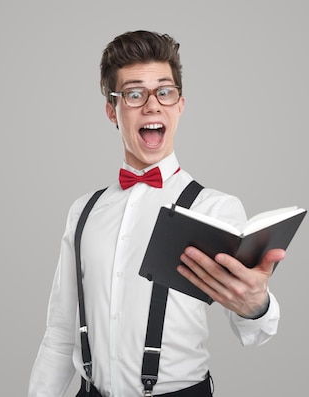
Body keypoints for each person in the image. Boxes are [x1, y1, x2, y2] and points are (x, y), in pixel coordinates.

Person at [28, 30, 286, 397]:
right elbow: (58, 335)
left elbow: (254, 333)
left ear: (179, 105)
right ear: (111, 111)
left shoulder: (215, 209)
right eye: (134, 94)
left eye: (164, 92)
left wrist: (256, 306)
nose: (152, 105)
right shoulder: (83, 212)